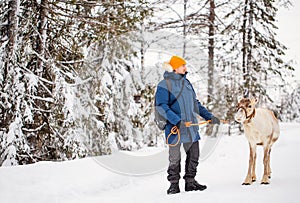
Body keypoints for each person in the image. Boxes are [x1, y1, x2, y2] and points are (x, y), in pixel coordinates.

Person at [155, 56, 220, 195]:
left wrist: (209, 116)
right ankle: (174, 185)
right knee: (174, 157)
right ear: (174, 68)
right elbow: (161, 106)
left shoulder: (187, 83)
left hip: (191, 127)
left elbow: (195, 104)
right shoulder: (164, 84)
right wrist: (176, 120)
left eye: (185, 65)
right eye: (182, 65)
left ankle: (190, 182)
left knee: (194, 155)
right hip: (175, 128)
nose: (185, 67)